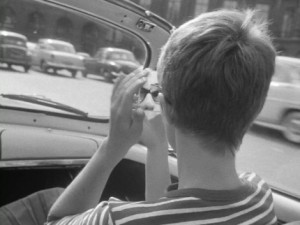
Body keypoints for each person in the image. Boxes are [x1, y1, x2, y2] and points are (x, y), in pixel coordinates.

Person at [46, 9, 277, 225]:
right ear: (255, 109)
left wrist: (111, 148)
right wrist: (157, 146)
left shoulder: (115, 218)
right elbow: (167, 211)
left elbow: (56, 220)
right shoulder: (260, 196)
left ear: (164, 107)